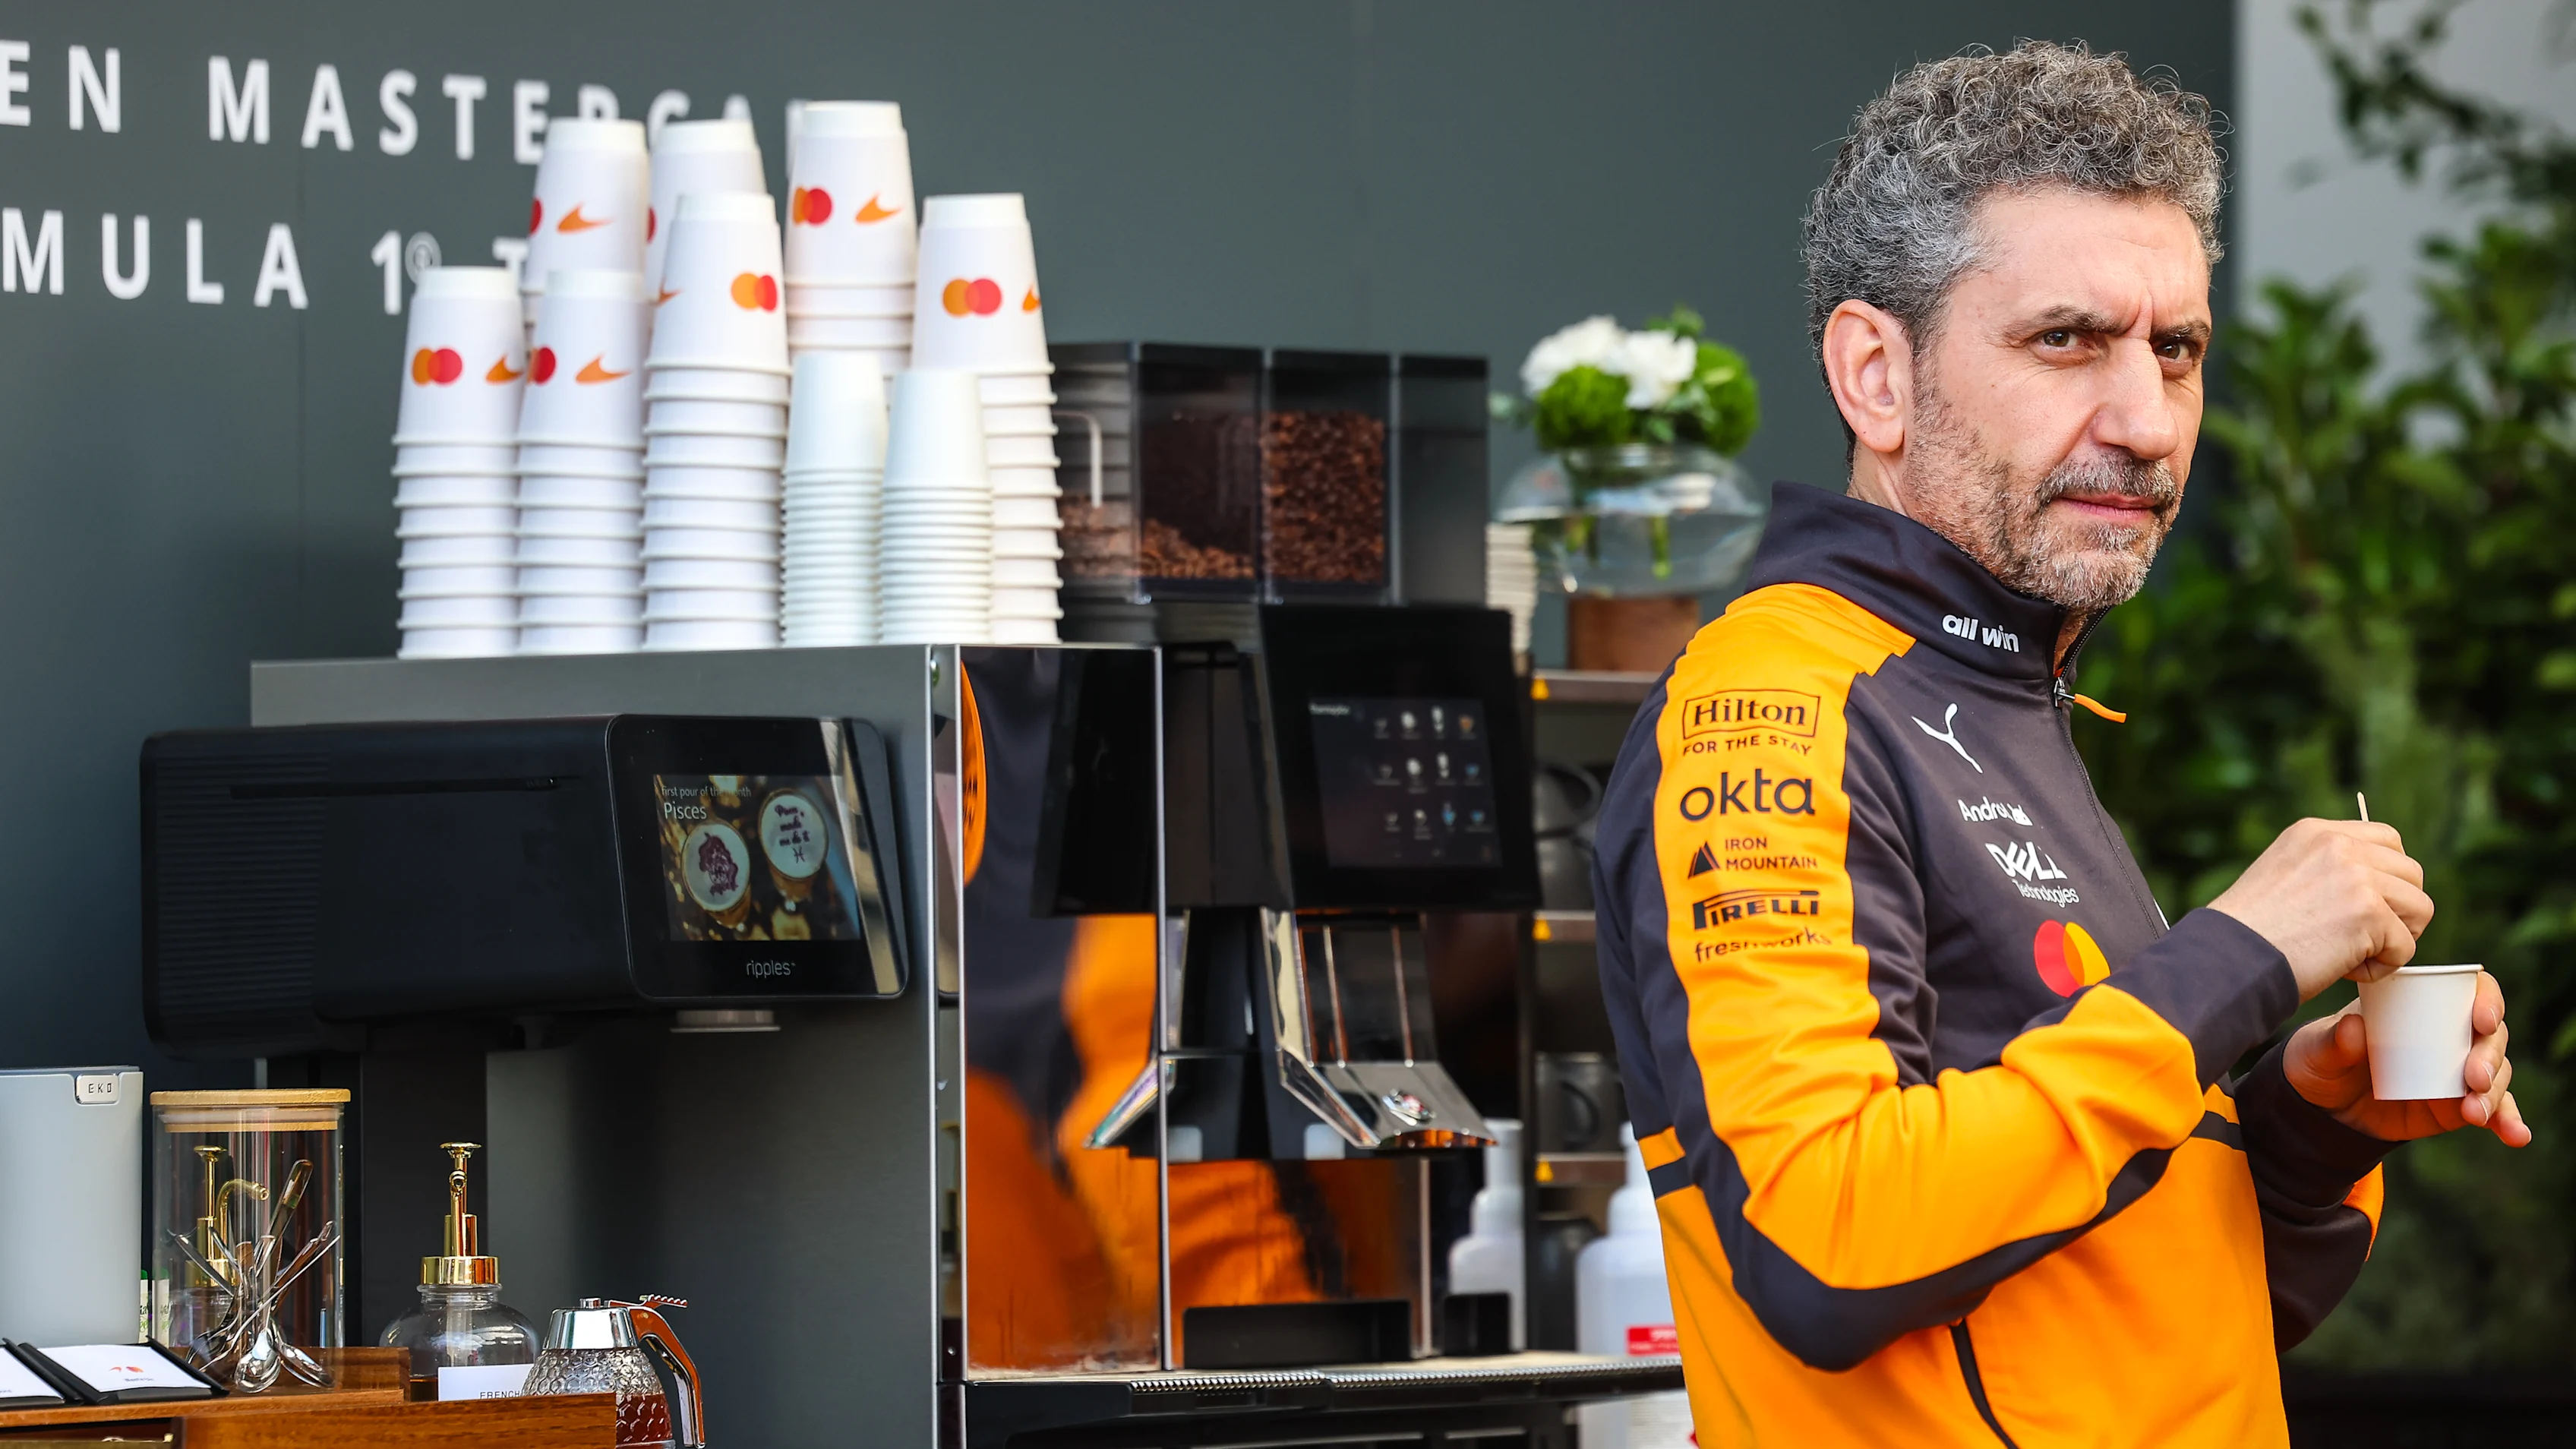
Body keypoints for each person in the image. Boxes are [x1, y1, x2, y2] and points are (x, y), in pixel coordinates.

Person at [1590, 40, 2530, 1447]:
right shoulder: (1776, 705)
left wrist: (2306, 1124)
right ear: (1876, 375)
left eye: (2178, 350)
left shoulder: (2000, 697)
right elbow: (1831, 1249)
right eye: (2066, 340)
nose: (2149, 423)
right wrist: (2238, 958)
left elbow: (2121, 1310)